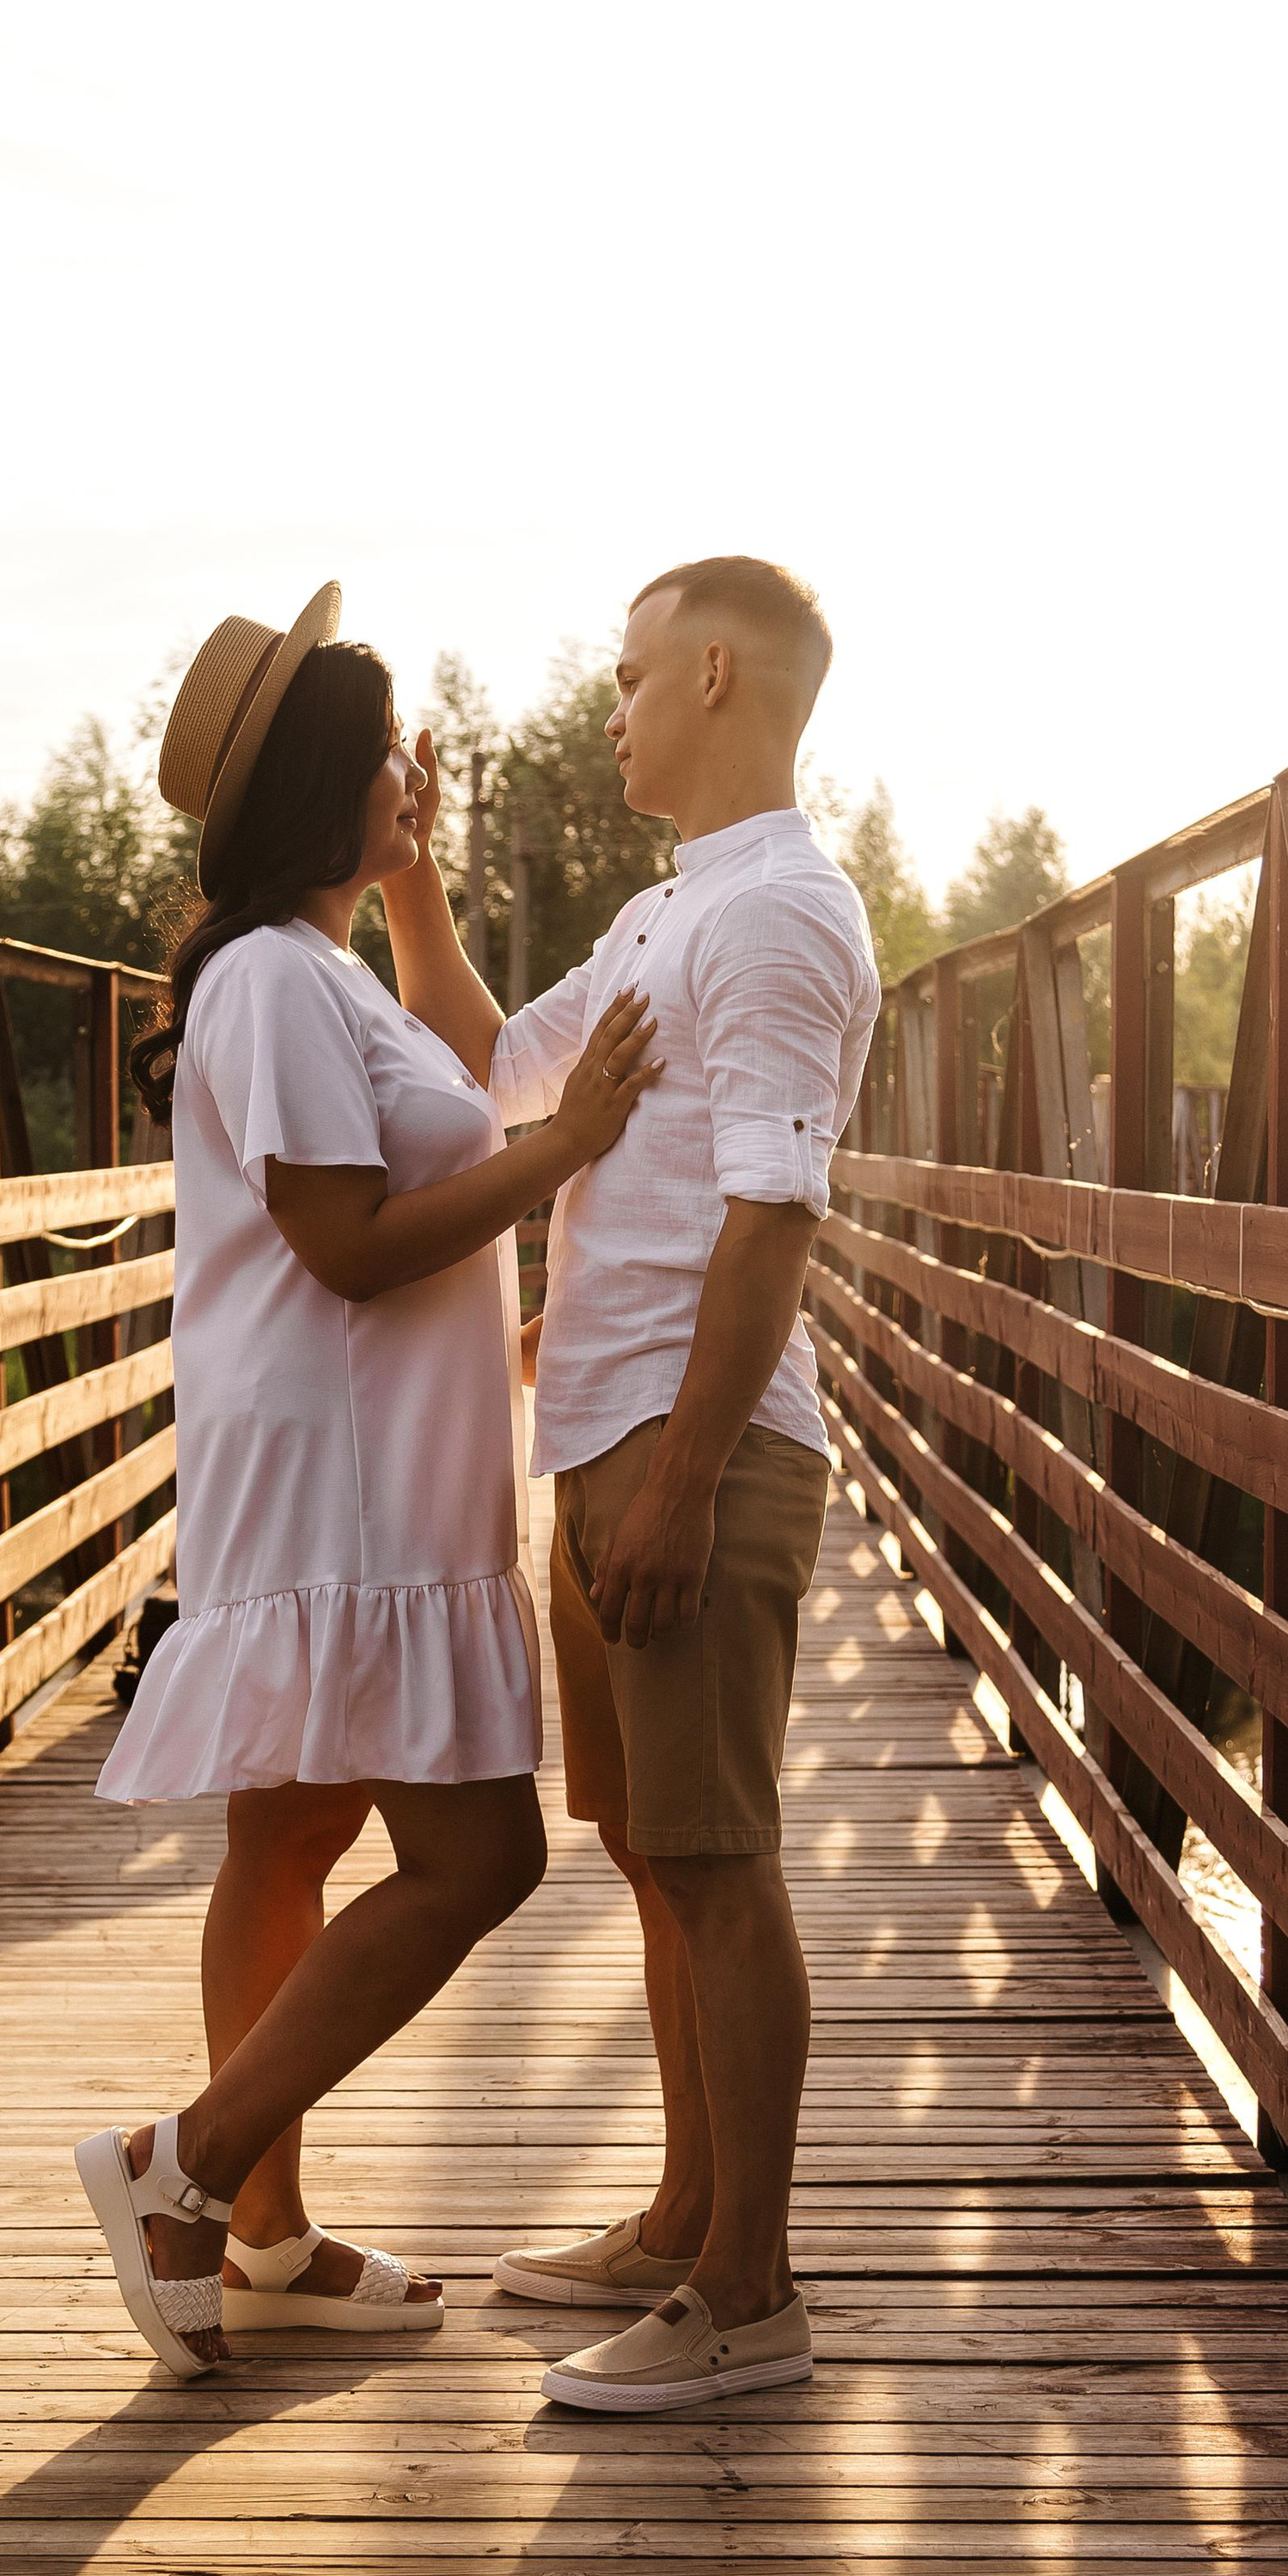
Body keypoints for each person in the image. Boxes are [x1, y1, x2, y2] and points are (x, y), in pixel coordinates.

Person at [77, 584, 660, 2378]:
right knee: (474, 1854)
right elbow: (339, 1242)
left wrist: (413, 880)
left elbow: (469, 1069)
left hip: (367, 1464)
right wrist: (566, 1153)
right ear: (335, 771)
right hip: (341, 1470)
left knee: (293, 1833)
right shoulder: (265, 979)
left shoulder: (320, 969)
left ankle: (259, 2242)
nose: (414, 765)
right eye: (390, 744)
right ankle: (186, 2165)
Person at [380, 555, 878, 2414]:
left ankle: (747, 2297)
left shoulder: (776, 922)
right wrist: (416, 883)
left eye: (626, 672)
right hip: (602, 1435)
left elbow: (774, 1217)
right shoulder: (671, 911)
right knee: (653, 1856)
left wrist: (677, 1484)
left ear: (716, 672)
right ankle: (680, 2223)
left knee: (719, 1861)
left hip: (697, 1449)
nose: (607, 706)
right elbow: (494, 1075)